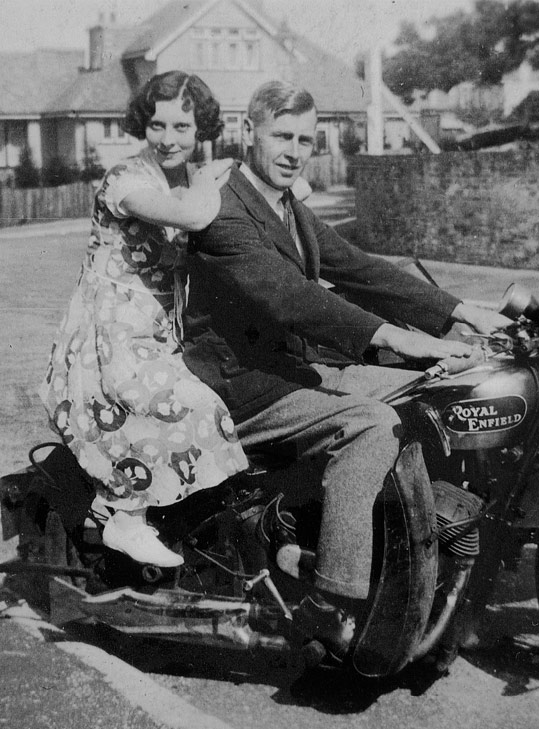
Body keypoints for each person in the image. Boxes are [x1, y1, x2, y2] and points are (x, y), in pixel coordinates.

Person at [181, 80, 504, 655]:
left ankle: (417, 548)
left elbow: (359, 269)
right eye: (282, 135)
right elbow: (294, 300)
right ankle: (332, 599)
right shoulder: (223, 210)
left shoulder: (290, 209)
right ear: (249, 132)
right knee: (372, 424)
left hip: (294, 372)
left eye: (306, 139)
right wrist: (404, 339)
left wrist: (462, 311)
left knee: (437, 392)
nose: (294, 151)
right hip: (241, 388)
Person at [39, 71, 248, 568]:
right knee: (185, 405)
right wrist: (206, 176)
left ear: (200, 127)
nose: (168, 138)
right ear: (143, 126)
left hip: (157, 327)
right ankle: (123, 517)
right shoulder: (127, 179)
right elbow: (194, 217)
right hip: (110, 334)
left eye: (181, 126)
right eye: (158, 125)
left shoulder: (181, 176)